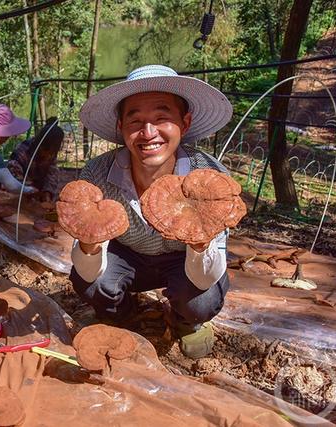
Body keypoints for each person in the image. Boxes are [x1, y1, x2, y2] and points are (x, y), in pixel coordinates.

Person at [70, 65, 234, 359]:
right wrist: (88, 242)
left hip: (184, 257)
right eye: (135, 121)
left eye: (162, 118)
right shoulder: (97, 172)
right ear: (121, 127)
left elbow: (213, 261)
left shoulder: (209, 177)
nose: (148, 133)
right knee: (90, 283)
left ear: (184, 123)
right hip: (129, 254)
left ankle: (185, 321)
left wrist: (198, 240)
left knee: (202, 299)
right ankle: (123, 313)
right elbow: (87, 257)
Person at [7, 116, 64, 202]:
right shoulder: (22, 153)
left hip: (39, 189)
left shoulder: (51, 154)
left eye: (52, 153)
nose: (49, 156)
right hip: (20, 190)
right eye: (46, 151)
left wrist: (47, 192)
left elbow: (52, 174)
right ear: (40, 146)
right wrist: (29, 190)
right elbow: (14, 180)